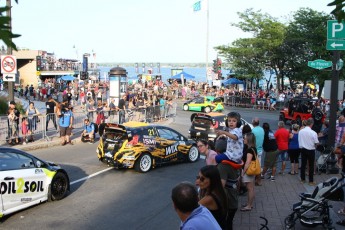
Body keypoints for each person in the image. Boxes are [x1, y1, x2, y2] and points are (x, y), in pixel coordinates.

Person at [298, 118, 319, 186]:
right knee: (311, 166)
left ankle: (302, 179)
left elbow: (299, 140)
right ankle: (310, 181)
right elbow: (316, 142)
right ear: (311, 124)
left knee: (303, 165)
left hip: (303, 149)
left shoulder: (301, 131)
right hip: (311, 150)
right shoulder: (313, 133)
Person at [241, 132, 257, 212]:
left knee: (250, 188)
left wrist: (243, 173)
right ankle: (249, 204)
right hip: (251, 171)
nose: (244, 139)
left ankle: (249, 206)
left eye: (245, 138)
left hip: (249, 171)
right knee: (251, 188)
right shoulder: (253, 148)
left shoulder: (250, 150)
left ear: (248, 139)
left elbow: (247, 163)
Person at [251, 117, 264, 186]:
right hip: (260, 150)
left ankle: (255, 180)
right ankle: (258, 180)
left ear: (253, 123)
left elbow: (252, 141)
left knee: (254, 166)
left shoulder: (253, 131)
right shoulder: (262, 129)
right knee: (258, 166)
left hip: (255, 150)